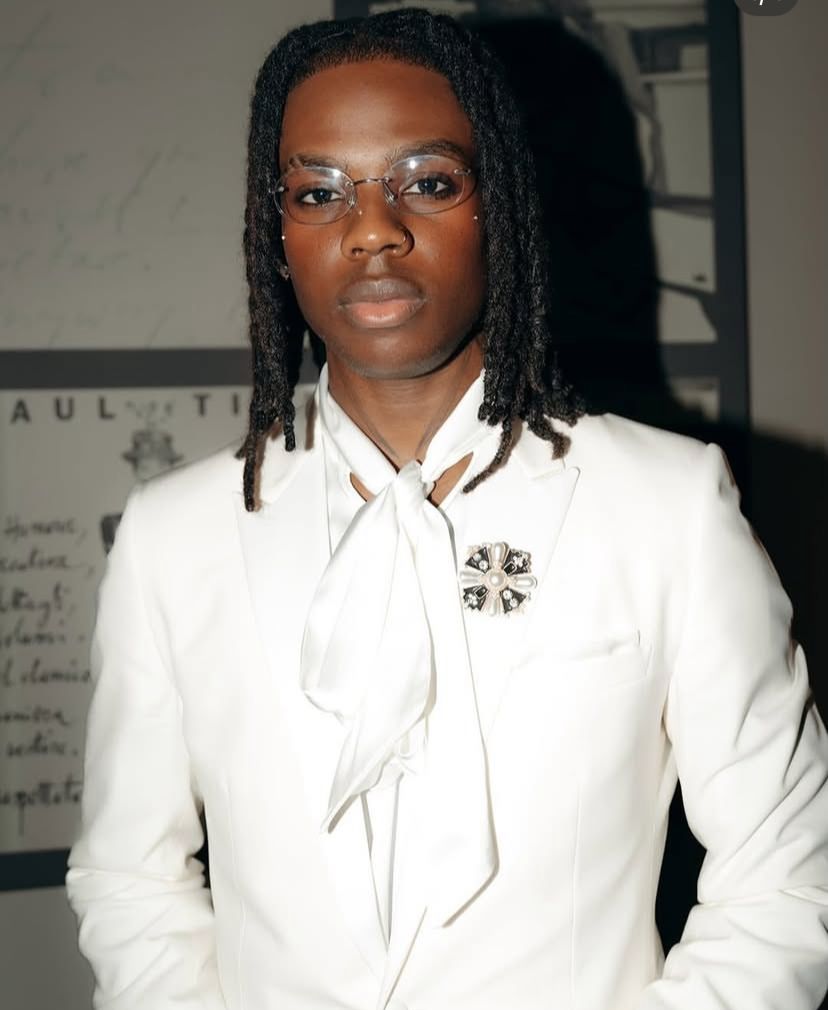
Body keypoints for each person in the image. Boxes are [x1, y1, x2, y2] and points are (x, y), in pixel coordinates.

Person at [66, 9, 828, 1010]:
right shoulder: (172, 538)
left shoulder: (669, 507)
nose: (371, 228)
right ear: (277, 234)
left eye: (427, 182)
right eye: (318, 191)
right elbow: (129, 877)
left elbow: (786, 883)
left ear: (497, 207)